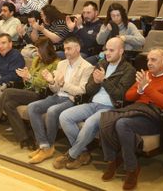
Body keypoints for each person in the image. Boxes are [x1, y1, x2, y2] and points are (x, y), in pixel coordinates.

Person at [99, 48, 163, 190]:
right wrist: (140, 90)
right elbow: (128, 96)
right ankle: (112, 160)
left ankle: (132, 169)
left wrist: (147, 88)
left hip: (154, 117)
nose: (149, 63)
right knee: (106, 118)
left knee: (122, 124)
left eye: (153, 60)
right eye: (148, 59)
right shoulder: (145, 75)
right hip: (136, 111)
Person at [54, 37, 136, 170]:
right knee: (64, 116)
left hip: (111, 108)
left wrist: (103, 81)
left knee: (90, 123)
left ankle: (71, 154)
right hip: (92, 103)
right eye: (106, 49)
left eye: (111, 50)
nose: (107, 53)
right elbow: (88, 89)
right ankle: (83, 153)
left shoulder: (129, 70)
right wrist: (97, 82)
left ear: (121, 51)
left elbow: (120, 94)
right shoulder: (101, 64)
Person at [0, 37, 59, 144]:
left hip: (42, 94)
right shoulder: (37, 60)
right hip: (29, 90)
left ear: (45, 50)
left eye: (38, 50)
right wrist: (25, 77)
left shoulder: (56, 63)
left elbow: (45, 83)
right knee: (8, 104)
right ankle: (24, 138)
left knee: (8, 92)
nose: (37, 53)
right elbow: (29, 80)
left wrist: (30, 77)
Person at [26, 37, 94, 164]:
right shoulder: (61, 64)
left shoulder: (87, 67)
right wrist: (51, 82)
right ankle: (44, 145)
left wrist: (63, 84)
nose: (66, 52)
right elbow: (55, 88)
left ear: (78, 49)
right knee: (32, 107)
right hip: (57, 96)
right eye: (65, 49)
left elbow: (82, 91)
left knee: (52, 111)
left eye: (69, 48)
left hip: (71, 99)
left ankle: (49, 147)